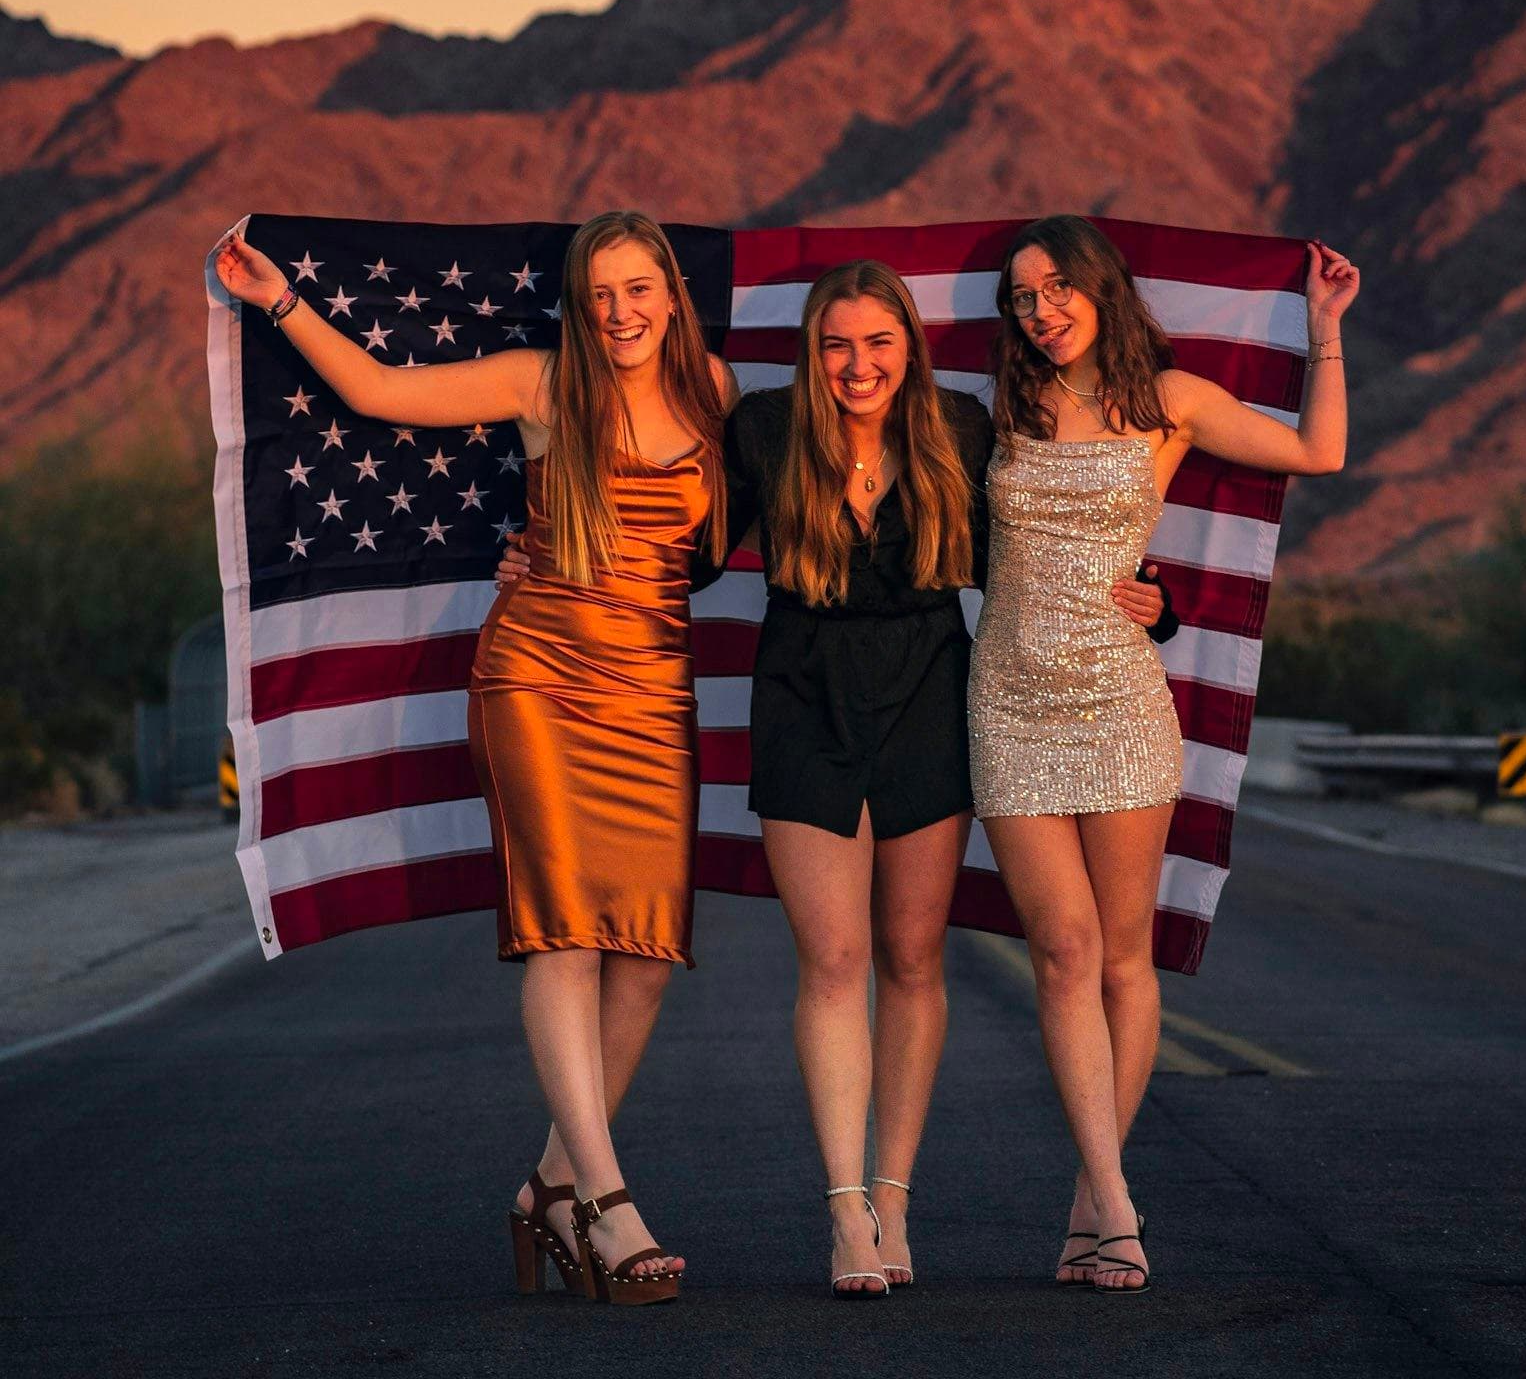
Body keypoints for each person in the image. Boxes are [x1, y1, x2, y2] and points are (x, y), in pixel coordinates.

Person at [501, 256, 1175, 1296]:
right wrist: (541, 551)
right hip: (803, 694)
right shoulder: (765, 429)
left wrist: (1157, 601)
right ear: (814, 353)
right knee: (834, 958)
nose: (857, 364)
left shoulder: (960, 426)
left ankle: (894, 1195)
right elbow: (682, 548)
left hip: (927, 695)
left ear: (908, 344)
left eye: (877, 342)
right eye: (836, 344)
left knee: (911, 957)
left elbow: (1039, 553)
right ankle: (845, 1213)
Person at [215, 211, 736, 1309]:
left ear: (673, 294)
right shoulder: (543, 382)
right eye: (600, 292)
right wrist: (280, 300)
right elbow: (378, 391)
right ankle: (604, 1199)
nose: (620, 310)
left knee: (645, 951)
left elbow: (746, 528)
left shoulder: (717, 393)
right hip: (538, 676)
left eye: (639, 287)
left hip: (654, 689)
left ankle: (550, 1181)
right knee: (566, 929)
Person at [968, 216, 1358, 1294]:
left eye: (1054, 288)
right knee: (1061, 949)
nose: (1039, 310)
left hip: (1122, 703)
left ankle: (1098, 1199)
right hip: (1006, 702)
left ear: (1100, 286)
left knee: (1123, 957)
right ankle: (1115, 1195)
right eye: (1019, 297)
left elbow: (1317, 452)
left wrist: (1323, 329)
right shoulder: (1000, 404)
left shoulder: (1169, 401)